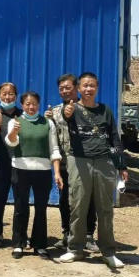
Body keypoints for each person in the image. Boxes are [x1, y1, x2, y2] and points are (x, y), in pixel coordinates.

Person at [59, 72, 129, 269]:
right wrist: (67, 113)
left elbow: (114, 137)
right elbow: (66, 116)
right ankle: (75, 249)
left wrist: (121, 165)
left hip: (104, 162)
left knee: (105, 208)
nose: (88, 89)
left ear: (97, 88)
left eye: (92, 85)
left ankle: (108, 251)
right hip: (79, 161)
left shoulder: (105, 110)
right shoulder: (71, 108)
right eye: (85, 86)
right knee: (78, 206)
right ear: (78, 89)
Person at [44, 74, 98, 252]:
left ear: (76, 88)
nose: (64, 91)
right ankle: (67, 234)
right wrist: (46, 120)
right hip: (64, 164)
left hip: (85, 163)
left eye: (68, 87)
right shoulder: (55, 111)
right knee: (64, 200)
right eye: (61, 89)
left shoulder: (87, 109)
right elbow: (51, 137)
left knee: (87, 199)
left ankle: (88, 235)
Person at [5, 91, 62, 260]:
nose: (31, 107)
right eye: (27, 104)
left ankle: (40, 245)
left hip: (42, 171)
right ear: (22, 105)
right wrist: (14, 131)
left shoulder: (47, 123)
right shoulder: (15, 121)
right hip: (20, 170)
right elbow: (11, 142)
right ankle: (18, 244)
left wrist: (57, 172)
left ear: (38, 104)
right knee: (20, 207)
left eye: (34, 104)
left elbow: (54, 149)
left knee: (41, 208)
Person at [0, 82, 23, 247]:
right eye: (4, 94)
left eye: (11, 94)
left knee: (20, 200)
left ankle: (19, 235)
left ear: (16, 96)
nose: (7, 97)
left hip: (19, 164)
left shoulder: (22, 115)